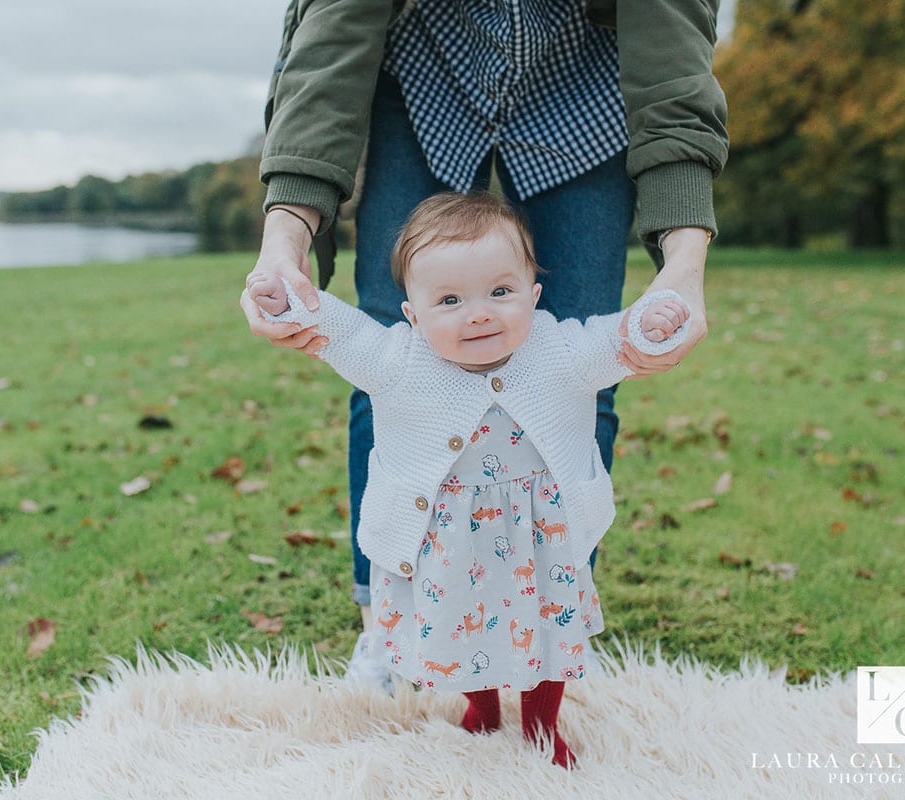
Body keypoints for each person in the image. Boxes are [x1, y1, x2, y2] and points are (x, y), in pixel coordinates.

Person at [243, 0, 728, 686]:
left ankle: (554, 620)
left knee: (583, 377)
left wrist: (681, 266)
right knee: (392, 362)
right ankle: (391, 627)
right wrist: (285, 240)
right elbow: (328, 44)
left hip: (586, 88)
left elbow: (673, 52)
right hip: (418, 76)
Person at [241, 191, 691, 767]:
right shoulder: (397, 358)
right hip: (450, 539)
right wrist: (290, 302)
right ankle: (480, 705)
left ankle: (541, 722)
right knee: (461, 622)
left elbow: (617, 340)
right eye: (449, 299)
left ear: (533, 296)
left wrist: (653, 323)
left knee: (545, 632)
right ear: (413, 314)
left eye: (500, 292)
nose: (479, 312)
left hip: (540, 541)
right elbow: (343, 330)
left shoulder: (559, 348)